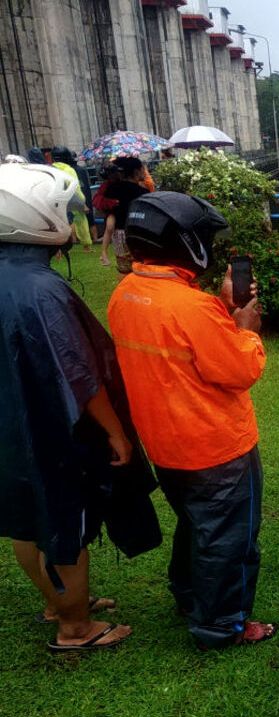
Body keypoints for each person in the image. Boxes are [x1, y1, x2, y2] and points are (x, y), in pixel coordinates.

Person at [0, 163, 160, 653]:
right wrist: (115, 432)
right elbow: (79, 374)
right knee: (63, 518)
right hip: (47, 424)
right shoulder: (43, 291)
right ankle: (75, 629)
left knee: (26, 515)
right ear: (41, 219)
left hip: (10, 423)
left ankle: (59, 602)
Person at [108, 192, 277, 649]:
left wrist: (221, 310)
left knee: (196, 523)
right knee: (229, 538)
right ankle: (222, 624)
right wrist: (246, 330)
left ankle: (188, 594)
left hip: (167, 444)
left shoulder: (128, 293)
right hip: (216, 446)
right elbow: (239, 370)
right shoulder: (190, 306)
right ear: (185, 242)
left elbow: (181, 354)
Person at [105, 156, 150, 271]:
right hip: (137, 234)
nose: (145, 172)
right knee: (141, 268)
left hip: (119, 235)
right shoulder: (142, 192)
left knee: (124, 270)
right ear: (136, 171)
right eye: (142, 169)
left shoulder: (111, 189)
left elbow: (109, 216)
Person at [50, 147, 92, 251]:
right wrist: (83, 204)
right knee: (79, 220)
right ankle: (85, 246)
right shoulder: (69, 170)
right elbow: (75, 188)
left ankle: (60, 247)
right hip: (70, 199)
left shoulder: (49, 169)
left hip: (54, 201)